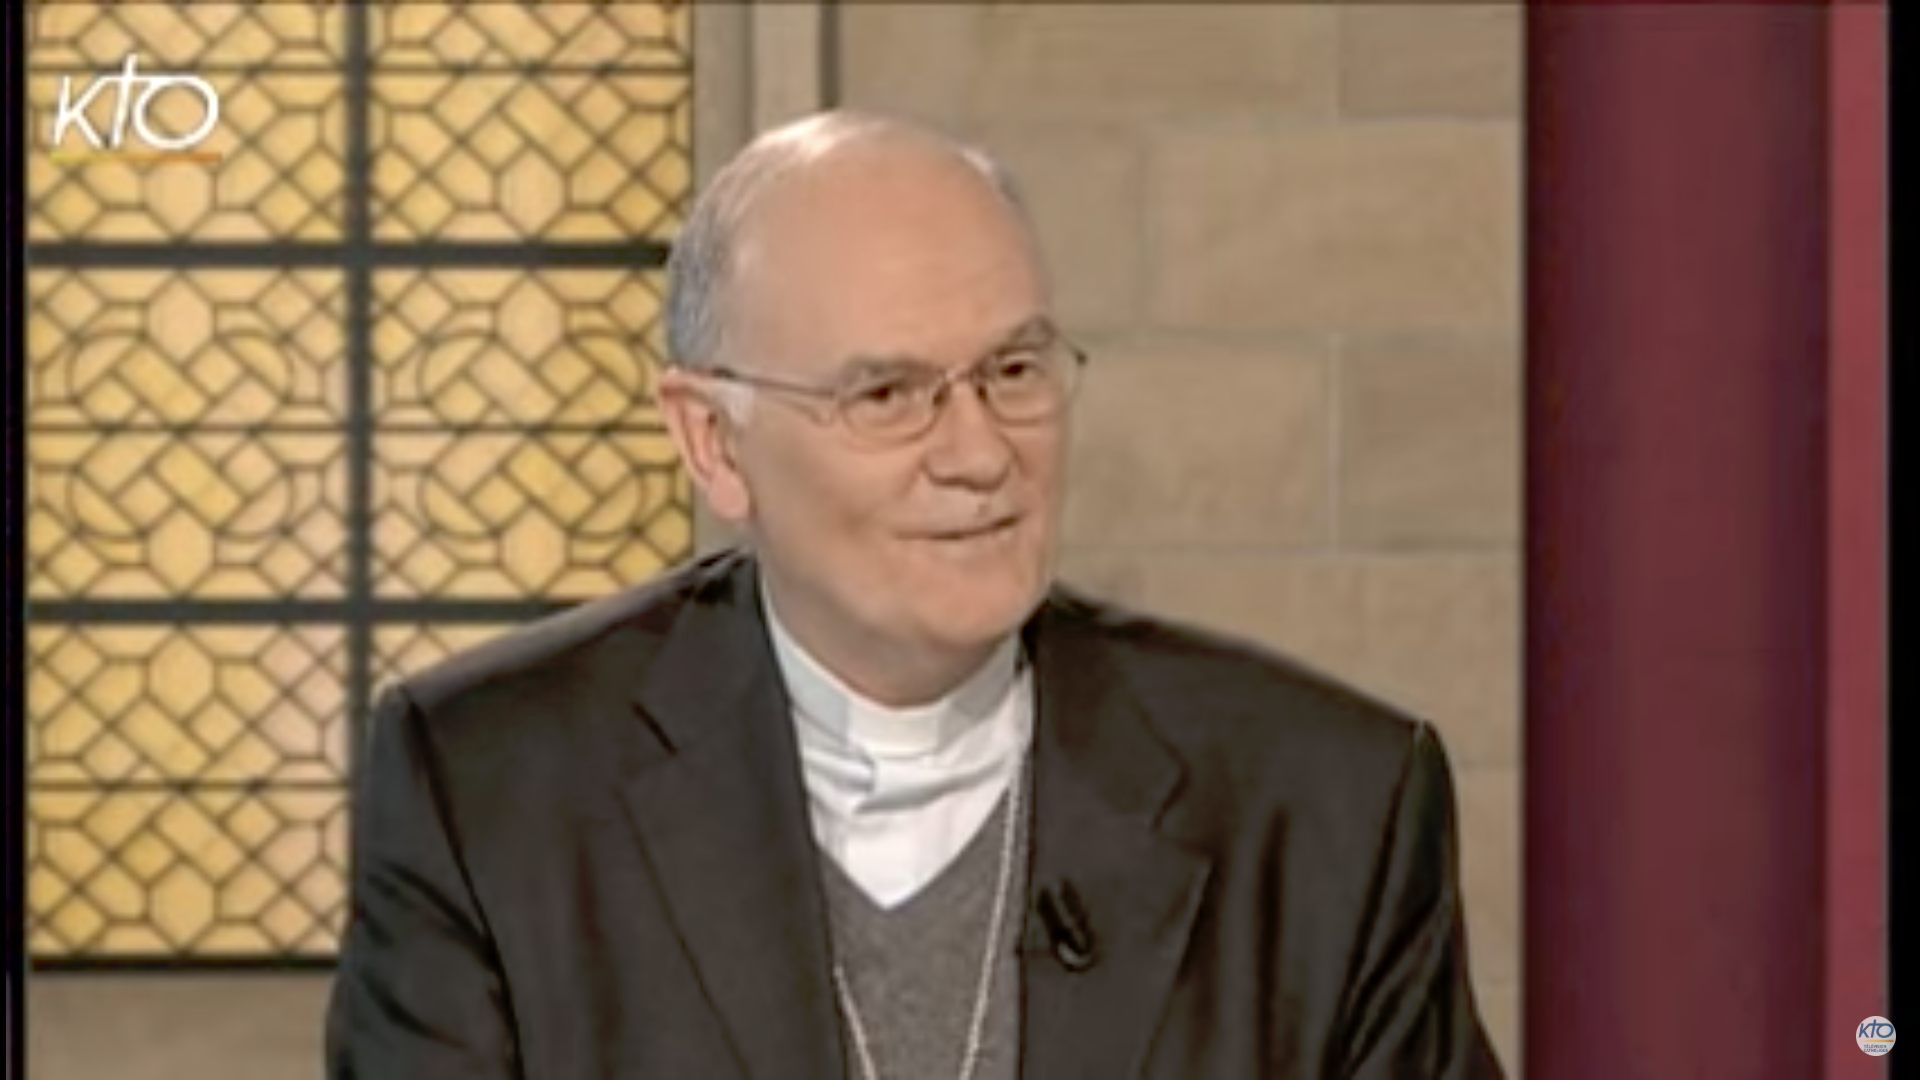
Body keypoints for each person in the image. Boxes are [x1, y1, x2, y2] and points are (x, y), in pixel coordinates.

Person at [326, 109, 1504, 1079]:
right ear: (713, 442)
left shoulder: (1326, 808)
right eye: (887, 396)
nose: (980, 453)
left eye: (1014, 371)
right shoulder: (491, 791)